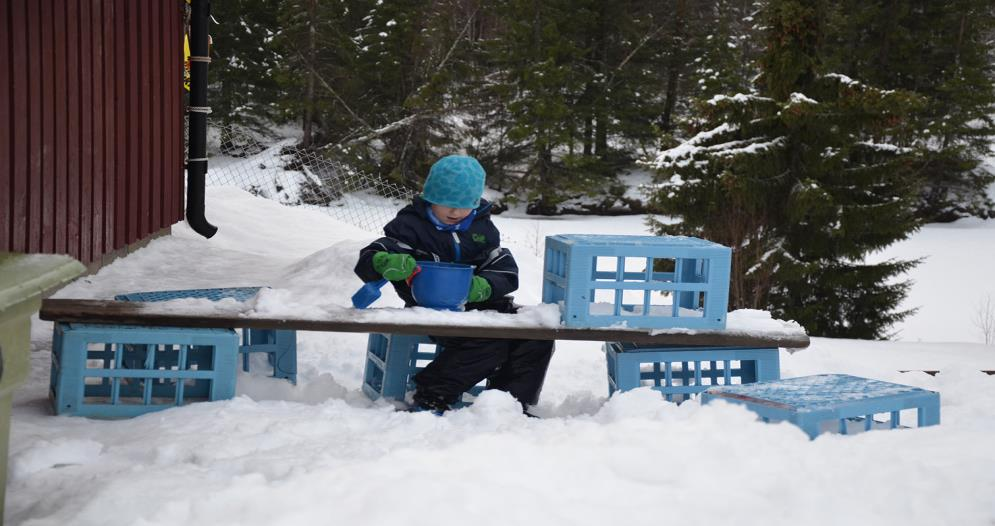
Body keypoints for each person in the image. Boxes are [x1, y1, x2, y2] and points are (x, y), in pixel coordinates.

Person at [354, 155, 554, 415]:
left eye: (465, 205)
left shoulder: (482, 228)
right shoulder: (411, 226)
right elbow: (371, 256)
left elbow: (504, 269)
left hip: (483, 307)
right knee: (489, 340)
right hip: (433, 309)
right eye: (447, 204)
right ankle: (431, 395)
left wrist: (485, 285)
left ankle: (511, 403)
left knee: (537, 335)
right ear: (431, 197)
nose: (456, 212)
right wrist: (383, 261)